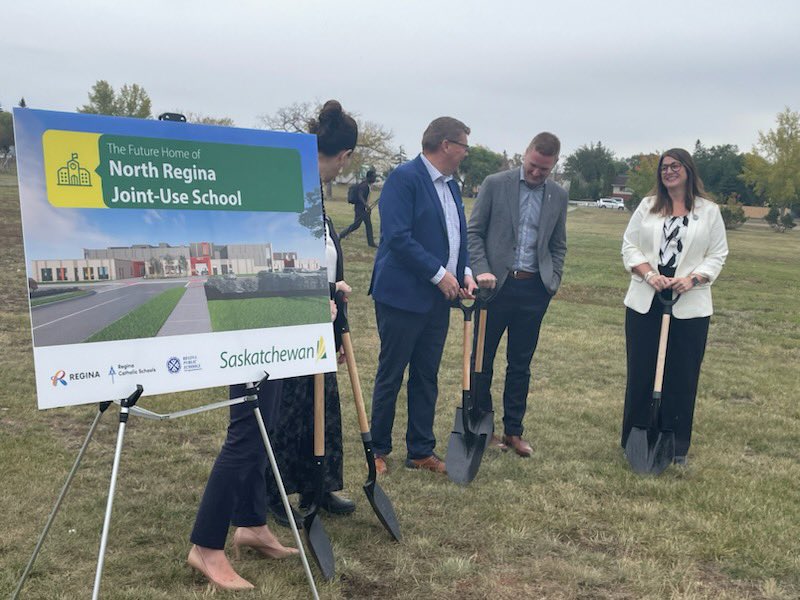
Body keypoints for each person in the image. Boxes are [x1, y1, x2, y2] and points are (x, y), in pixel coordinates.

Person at [187, 100, 357, 591]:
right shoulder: (284, 191)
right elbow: (258, 261)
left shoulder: (310, 194)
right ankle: (205, 545)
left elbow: (307, 264)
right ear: (342, 156)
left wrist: (326, 293)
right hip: (256, 327)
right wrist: (307, 301)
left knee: (264, 427)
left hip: (289, 332)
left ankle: (252, 524)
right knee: (245, 433)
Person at [369, 116, 477, 475]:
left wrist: (463, 273)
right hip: (402, 294)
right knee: (392, 372)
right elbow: (398, 237)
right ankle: (378, 449)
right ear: (446, 144)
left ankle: (420, 450)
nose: (465, 153)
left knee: (426, 374)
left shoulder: (452, 187)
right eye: (464, 145)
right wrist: (438, 274)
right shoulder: (405, 178)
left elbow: (455, 236)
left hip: (439, 298)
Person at [620, 148, 728, 466]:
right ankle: (634, 438)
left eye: (675, 166)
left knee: (681, 374)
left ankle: (675, 442)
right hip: (646, 300)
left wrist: (693, 279)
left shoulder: (709, 211)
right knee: (642, 371)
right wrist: (650, 275)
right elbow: (629, 245)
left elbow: (717, 254)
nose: (668, 171)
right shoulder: (648, 207)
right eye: (664, 167)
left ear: (688, 170)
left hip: (689, 304)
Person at [467, 132, 568, 458]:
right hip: (494, 288)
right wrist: (482, 271)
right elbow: (475, 232)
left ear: (554, 166)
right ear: (525, 155)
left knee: (520, 364)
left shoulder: (558, 195)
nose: (537, 174)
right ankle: (482, 427)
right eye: (533, 166)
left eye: (545, 170)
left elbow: (558, 243)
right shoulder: (496, 183)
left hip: (533, 289)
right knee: (481, 361)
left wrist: (552, 281)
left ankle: (514, 432)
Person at [339, 168, 378, 247]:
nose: (375, 179)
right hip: (360, 209)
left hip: (363, 209)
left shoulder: (366, 185)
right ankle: (340, 235)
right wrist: (366, 205)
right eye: (374, 177)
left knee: (368, 225)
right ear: (369, 177)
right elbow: (360, 195)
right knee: (356, 225)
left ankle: (371, 243)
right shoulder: (364, 185)